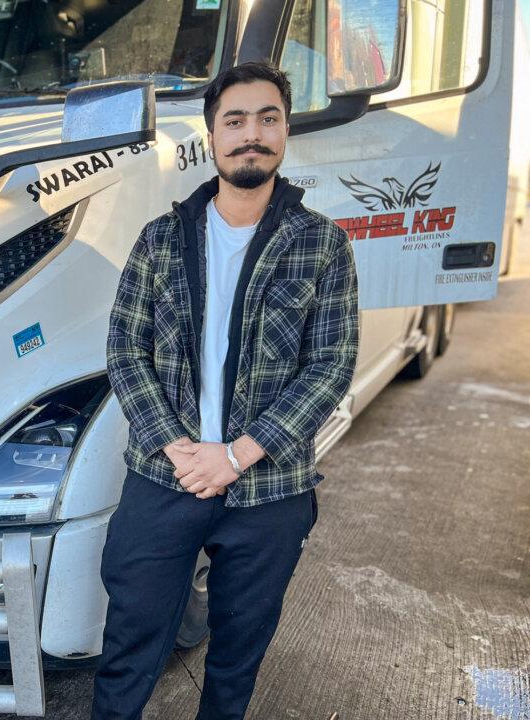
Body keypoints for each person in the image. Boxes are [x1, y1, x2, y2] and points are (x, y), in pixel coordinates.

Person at [91, 61, 360, 720]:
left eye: (268, 118)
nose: (252, 134)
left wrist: (239, 453)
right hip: (164, 478)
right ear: (211, 137)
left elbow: (330, 364)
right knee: (130, 640)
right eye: (235, 120)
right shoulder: (160, 241)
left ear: (286, 131)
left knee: (238, 653)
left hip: (269, 490)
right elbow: (126, 351)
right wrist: (178, 449)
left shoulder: (321, 245)